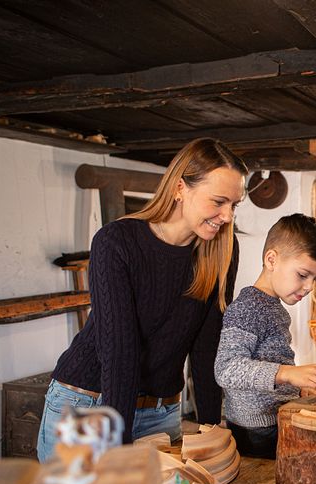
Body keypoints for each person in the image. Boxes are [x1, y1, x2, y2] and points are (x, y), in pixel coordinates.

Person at [37, 137, 248, 461]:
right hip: (88, 407)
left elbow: (207, 348)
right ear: (180, 188)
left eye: (234, 205)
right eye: (219, 201)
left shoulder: (222, 252)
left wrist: (210, 431)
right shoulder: (116, 242)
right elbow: (120, 350)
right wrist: (118, 448)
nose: (227, 215)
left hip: (161, 413)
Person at [214, 213, 316, 459]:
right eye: (303, 275)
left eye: (315, 278)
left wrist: (296, 388)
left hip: (274, 420)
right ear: (272, 259)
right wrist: (288, 373)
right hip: (256, 432)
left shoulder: (273, 307)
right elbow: (226, 368)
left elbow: (269, 365)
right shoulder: (248, 307)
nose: (310, 286)